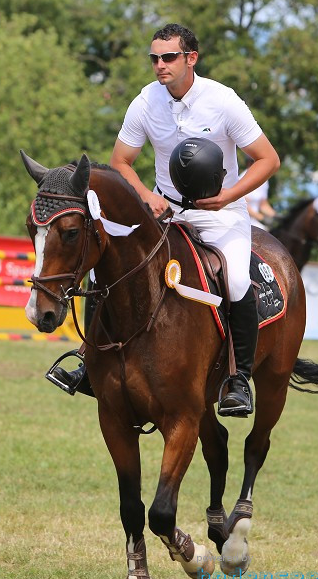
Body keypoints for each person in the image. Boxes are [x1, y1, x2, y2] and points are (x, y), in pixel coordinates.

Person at [47, 23, 281, 418]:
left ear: (191, 58)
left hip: (220, 215)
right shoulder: (144, 102)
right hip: (164, 214)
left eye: (168, 57)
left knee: (238, 279)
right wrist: (148, 198)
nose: (160, 65)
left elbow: (268, 159)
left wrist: (227, 196)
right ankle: (89, 362)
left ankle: (237, 380)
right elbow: (121, 161)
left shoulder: (223, 101)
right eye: (154, 58)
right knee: (101, 266)